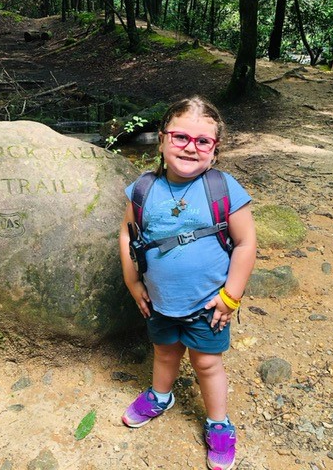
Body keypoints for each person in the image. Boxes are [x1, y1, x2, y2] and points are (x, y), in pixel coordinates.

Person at [119, 96, 256, 470]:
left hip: (209, 305)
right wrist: (134, 284)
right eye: (180, 137)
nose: (190, 148)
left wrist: (232, 297)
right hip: (161, 300)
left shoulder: (223, 188)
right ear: (161, 140)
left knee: (207, 363)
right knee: (164, 352)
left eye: (202, 141)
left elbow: (245, 243)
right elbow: (128, 235)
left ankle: (218, 423)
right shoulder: (143, 189)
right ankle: (160, 396)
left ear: (215, 150)